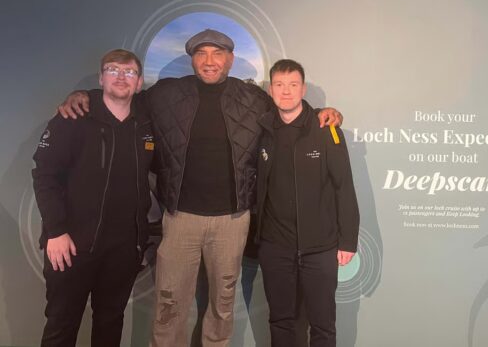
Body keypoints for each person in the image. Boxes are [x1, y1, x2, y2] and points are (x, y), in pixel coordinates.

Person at [58, 29, 342, 347]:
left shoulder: (253, 98)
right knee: (169, 306)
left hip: (232, 221)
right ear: (192, 59)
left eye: (217, 53)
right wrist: (86, 95)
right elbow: (122, 98)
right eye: (201, 53)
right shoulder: (166, 94)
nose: (209, 61)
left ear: (230, 59)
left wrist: (320, 113)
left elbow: (288, 109)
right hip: (180, 219)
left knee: (222, 307)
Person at [33, 49, 154, 347]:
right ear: (101, 78)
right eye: (113, 70)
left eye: (129, 72)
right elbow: (44, 175)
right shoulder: (73, 117)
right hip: (71, 246)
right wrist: (56, 231)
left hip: (123, 250)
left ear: (139, 82)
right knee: (61, 327)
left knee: (110, 325)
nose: (121, 77)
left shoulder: (146, 124)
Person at [255, 59, 360, 347]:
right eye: (279, 84)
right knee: (280, 321)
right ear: (271, 90)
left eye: (293, 84)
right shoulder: (262, 129)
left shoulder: (326, 128)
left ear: (303, 89)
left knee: (323, 325)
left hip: (320, 248)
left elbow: (344, 186)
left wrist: (348, 240)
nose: (286, 91)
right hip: (275, 245)